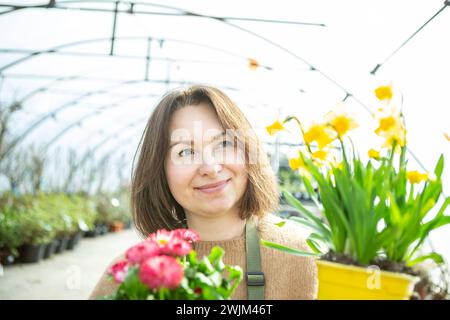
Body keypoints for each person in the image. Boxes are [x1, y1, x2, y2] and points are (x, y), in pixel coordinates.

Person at [89, 85, 318, 300]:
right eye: (186, 152)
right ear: (159, 171)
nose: (210, 167)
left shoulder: (296, 253)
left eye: (224, 144)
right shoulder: (132, 274)